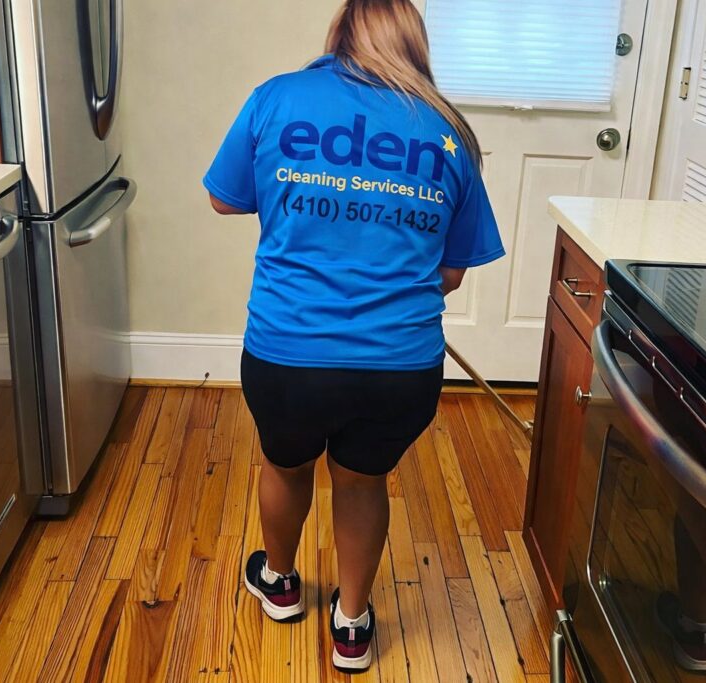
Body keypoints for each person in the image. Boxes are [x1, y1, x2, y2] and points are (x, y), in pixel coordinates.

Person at [202, 0, 504, 672]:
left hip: (287, 356)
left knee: (285, 463)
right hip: (399, 368)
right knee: (363, 481)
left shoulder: (278, 98)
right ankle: (352, 622)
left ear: (339, 34)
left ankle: (279, 584)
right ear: (415, 42)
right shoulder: (447, 131)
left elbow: (223, 195)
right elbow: (452, 273)